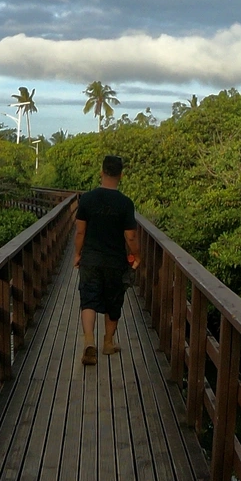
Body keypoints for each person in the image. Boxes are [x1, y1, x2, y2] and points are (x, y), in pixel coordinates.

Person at [74, 154, 140, 365]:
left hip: (91, 258)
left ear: (101, 172)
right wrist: (137, 256)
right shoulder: (125, 203)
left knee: (89, 299)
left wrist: (77, 254)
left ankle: (89, 340)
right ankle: (108, 343)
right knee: (113, 301)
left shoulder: (87, 199)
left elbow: (80, 233)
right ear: (121, 175)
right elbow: (130, 236)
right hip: (115, 261)